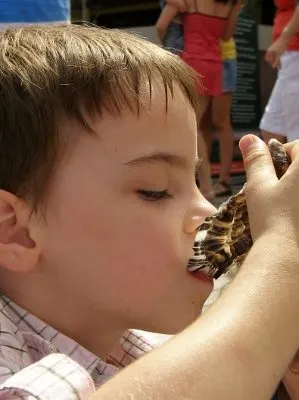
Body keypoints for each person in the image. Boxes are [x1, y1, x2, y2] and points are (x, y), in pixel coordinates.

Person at [0, 24, 298, 400]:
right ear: (16, 230)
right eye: (155, 190)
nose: (206, 210)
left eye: (196, 181)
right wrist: (282, 264)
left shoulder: (138, 342)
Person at [156, 0, 241, 199]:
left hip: (193, 62)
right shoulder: (229, 5)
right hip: (216, 64)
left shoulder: (190, 2)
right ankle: (213, 181)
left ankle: (204, 185)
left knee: (192, 124)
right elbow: (226, 36)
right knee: (210, 123)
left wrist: (167, 47)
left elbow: (161, 26)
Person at [201, 38, 238, 196]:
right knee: (204, 123)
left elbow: (226, 31)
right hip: (202, 59)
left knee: (220, 120)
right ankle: (205, 180)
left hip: (223, 58)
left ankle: (224, 180)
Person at [260, 0, 299, 144]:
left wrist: (283, 40)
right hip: (290, 56)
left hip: (295, 55)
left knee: (296, 133)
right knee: (271, 129)